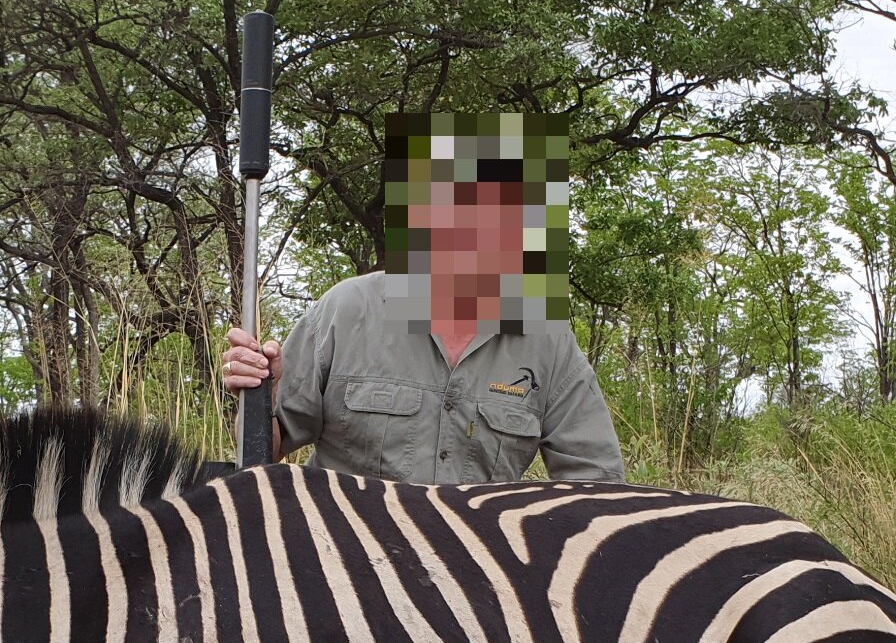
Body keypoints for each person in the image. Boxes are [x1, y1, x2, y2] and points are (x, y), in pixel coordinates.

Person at [222, 114, 624, 484]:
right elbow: (261, 459)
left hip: (477, 555)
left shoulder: (547, 339)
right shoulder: (345, 310)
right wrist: (261, 397)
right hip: (345, 553)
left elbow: (598, 482)